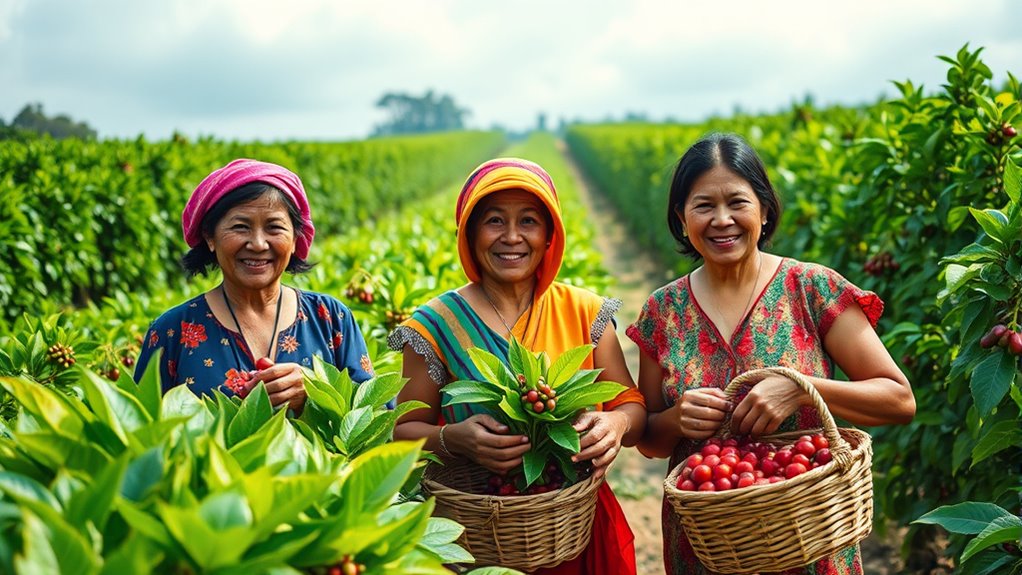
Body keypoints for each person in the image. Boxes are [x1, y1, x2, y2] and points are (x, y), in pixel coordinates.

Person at [626, 132, 916, 575]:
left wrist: (801, 391)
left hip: (807, 536)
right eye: (704, 206)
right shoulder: (663, 312)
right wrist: (675, 419)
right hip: (707, 545)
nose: (722, 219)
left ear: (764, 211)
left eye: (737, 202)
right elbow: (648, 438)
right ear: (682, 219)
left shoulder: (812, 289)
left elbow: (899, 399)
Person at [388, 158, 647, 574]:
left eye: (528, 221)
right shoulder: (435, 324)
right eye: (494, 221)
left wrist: (615, 426)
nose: (512, 237)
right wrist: (453, 438)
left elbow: (631, 403)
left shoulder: (584, 311)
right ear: (470, 235)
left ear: (549, 236)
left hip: (573, 527)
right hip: (478, 535)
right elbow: (400, 432)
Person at [134, 158, 375, 412]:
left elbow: (377, 418)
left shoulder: (330, 318)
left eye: (274, 227)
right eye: (240, 227)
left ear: (295, 239)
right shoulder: (172, 332)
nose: (258, 244)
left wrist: (316, 392)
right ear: (210, 237)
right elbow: (140, 431)